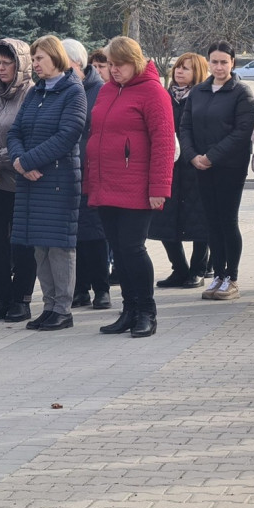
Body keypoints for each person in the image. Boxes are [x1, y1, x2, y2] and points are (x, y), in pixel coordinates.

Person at [87, 36, 175, 338]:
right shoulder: (108, 90)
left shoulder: (153, 92)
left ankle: (146, 312)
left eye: (118, 65)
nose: (112, 70)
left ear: (134, 62)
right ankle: (129, 309)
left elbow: (163, 143)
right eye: (109, 64)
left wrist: (159, 188)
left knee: (132, 249)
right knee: (120, 253)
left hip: (137, 186)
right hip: (106, 183)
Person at [7, 35, 87, 332]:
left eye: (39, 58)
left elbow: (68, 135)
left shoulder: (73, 92)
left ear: (56, 58)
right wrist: (18, 160)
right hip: (32, 181)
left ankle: (63, 309)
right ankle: (49, 305)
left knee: (59, 247)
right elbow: (15, 132)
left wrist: (27, 162)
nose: (35, 64)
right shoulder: (35, 93)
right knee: (39, 246)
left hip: (56, 180)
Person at [180, 41, 254, 301]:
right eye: (215, 61)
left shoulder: (241, 93)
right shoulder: (199, 91)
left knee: (227, 221)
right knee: (211, 222)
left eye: (224, 61)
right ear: (208, 62)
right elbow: (185, 127)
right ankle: (218, 275)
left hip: (229, 168)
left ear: (232, 63)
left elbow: (241, 133)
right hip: (201, 166)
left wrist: (212, 156)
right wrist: (192, 157)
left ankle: (231, 277)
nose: (219, 66)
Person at [0, 38, 38, 323]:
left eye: (7, 62)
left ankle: (21, 299)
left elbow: (26, 136)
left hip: (20, 180)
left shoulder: (31, 95)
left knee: (22, 243)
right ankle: (1, 296)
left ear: (20, 64)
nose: (1, 68)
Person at [151, 53, 210, 288]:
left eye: (186, 68)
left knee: (199, 222)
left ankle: (198, 269)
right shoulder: (165, 97)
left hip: (194, 167)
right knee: (165, 220)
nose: (180, 71)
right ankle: (179, 268)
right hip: (169, 168)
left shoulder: (202, 97)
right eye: (178, 67)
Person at [63, 38, 112, 311]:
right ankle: (79, 289)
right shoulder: (65, 89)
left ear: (77, 64)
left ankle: (101, 289)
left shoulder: (99, 90)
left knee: (95, 234)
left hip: (92, 172)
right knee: (75, 235)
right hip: (67, 173)